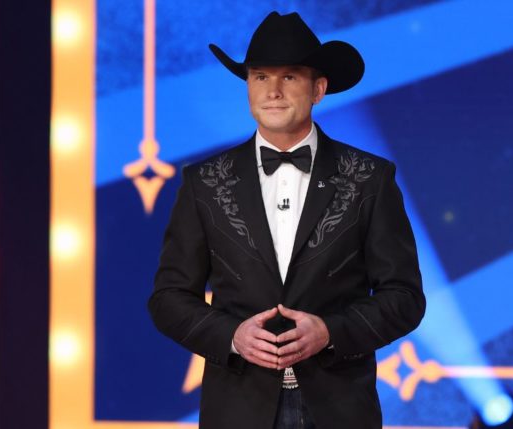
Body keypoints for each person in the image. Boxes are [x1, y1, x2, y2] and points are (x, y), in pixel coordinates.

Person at [148, 11, 425, 429]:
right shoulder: (204, 182)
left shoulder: (370, 177)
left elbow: (404, 296)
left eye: (290, 77)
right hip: (237, 409)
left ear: (318, 88)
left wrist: (331, 332)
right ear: (248, 87)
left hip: (339, 410)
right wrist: (231, 337)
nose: (273, 91)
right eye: (260, 77)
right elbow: (168, 298)